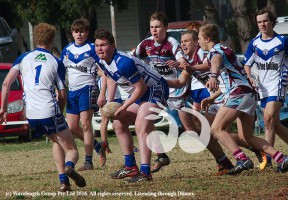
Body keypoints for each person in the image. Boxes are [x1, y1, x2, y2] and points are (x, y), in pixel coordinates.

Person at [0, 23, 86, 191]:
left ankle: (64, 183)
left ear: (36, 39)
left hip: (31, 114)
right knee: (72, 150)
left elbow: (6, 84)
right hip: (49, 110)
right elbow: (62, 94)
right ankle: (69, 167)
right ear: (52, 41)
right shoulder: (56, 62)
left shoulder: (23, 58)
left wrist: (3, 109)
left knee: (57, 141)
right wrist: (59, 112)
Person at [199, 23, 288, 175]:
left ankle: (242, 159)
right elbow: (211, 67)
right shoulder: (226, 48)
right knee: (246, 137)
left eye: (199, 38)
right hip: (248, 94)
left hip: (238, 94)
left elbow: (215, 62)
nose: (198, 42)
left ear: (208, 38)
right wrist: (211, 95)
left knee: (216, 129)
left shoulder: (215, 51)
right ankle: (281, 158)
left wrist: (213, 76)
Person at [94, 29, 169, 182]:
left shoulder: (124, 62)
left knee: (142, 127)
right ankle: (130, 167)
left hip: (155, 89)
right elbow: (110, 76)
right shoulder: (103, 60)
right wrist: (109, 100)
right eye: (97, 45)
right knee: (118, 124)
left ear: (113, 46)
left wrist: (123, 106)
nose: (99, 48)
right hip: (140, 92)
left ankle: (145, 172)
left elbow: (141, 87)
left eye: (104, 45)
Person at [167, 29, 234, 175]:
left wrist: (213, 76)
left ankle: (249, 153)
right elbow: (180, 81)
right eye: (182, 41)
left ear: (196, 41)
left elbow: (214, 63)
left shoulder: (203, 54)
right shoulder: (187, 60)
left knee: (219, 132)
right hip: (212, 99)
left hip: (226, 96)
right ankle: (224, 162)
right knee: (206, 132)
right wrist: (162, 81)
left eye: (187, 41)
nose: (183, 44)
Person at [132, 11, 189, 173]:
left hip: (176, 89)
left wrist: (178, 63)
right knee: (145, 121)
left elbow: (183, 62)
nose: (154, 31)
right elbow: (132, 58)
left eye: (157, 27)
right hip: (157, 90)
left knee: (193, 130)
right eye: (152, 27)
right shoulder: (145, 44)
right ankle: (160, 155)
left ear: (165, 27)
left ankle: (222, 156)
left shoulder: (172, 43)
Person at [244, 8, 288, 168]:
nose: (262, 24)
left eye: (265, 21)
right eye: (259, 22)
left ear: (272, 22)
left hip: (278, 85)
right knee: (274, 123)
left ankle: (269, 159)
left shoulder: (282, 41)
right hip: (262, 88)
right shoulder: (254, 44)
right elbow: (247, 65)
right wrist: (251, 77)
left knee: (268, 120)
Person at [61, 19, 106, 170]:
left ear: (87, 33)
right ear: (72, 33)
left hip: (87, 89)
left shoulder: (93, 48)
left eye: (82, 31)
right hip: (72, 91)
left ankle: (88, 161)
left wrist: (103, 90)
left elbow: (104, 70)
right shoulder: (67, 49)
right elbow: (61, 71)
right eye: (76, 31)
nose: (79, 34)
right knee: (72, 127)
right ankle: (97, 146)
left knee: (86, 124)